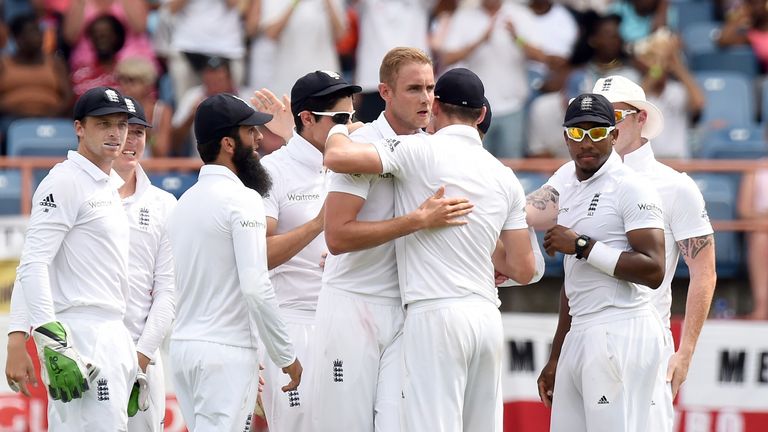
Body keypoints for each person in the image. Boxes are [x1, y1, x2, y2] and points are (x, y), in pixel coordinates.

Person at [324, 67, 539, 432]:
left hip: (435, 314)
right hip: (486, 316)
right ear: (483, 115)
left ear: (435, 106)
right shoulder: (504, 176)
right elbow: (524, 268)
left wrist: (340, 126)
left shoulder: (419, 149)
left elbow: (337, 158)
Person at [312, 47, 476, 432]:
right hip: (353, 306)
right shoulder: (361, 145)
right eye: (413, 89)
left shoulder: (432, 147)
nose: (425, 99)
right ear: (384, 92)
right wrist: (414, 221)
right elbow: (336, 237)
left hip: (409, 313)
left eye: (431, 88)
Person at [527, 92, 667, 432]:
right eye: (577, 133)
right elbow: (575, 284)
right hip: (581, 331)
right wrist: (557, 356)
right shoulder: (566, 182)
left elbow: (654, 269)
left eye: (597, 132)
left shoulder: (632, 187)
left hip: (621, 326)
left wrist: (581, 245)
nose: (586, 142)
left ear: (615, 134)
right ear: (565, 137)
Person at [166, 93, 302, 431]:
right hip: (225, 352)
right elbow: (256, 287)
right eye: (250, 131)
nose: (259, 139)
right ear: (228, 143)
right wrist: (286, 356)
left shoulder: (184, 201)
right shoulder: (243, 200)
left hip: (184, 352)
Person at [6, 86, 137, 430]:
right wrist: (44, 341)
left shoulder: (107, 184)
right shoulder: (64, 182)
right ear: (79, 127)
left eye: (121, 124)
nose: (115, 133)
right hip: (80, 335)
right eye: (103, 123)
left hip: (112, 332)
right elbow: (33, 264)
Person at [252, 70, 359, 432]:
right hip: (293, 325)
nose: (349, 127)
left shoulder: (355, 162)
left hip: (347, 324)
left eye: (352, 118)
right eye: (340, 120)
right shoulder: (271, 170)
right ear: (308, 119)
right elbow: (259, 256)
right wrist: (317, 225)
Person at [115, 96, 177, 432]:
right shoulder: (80, 194)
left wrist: (140, 357)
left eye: (139, 132)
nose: (132, 140)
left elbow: (168, 291)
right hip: (90, 357)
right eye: (125, 130)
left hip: (144, 357)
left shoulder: (164, 203)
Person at [738, 167, 768, 320]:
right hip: (762, 227)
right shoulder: (754, 169)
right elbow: (744, 210)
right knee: (761, 237)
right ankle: (762, 307)